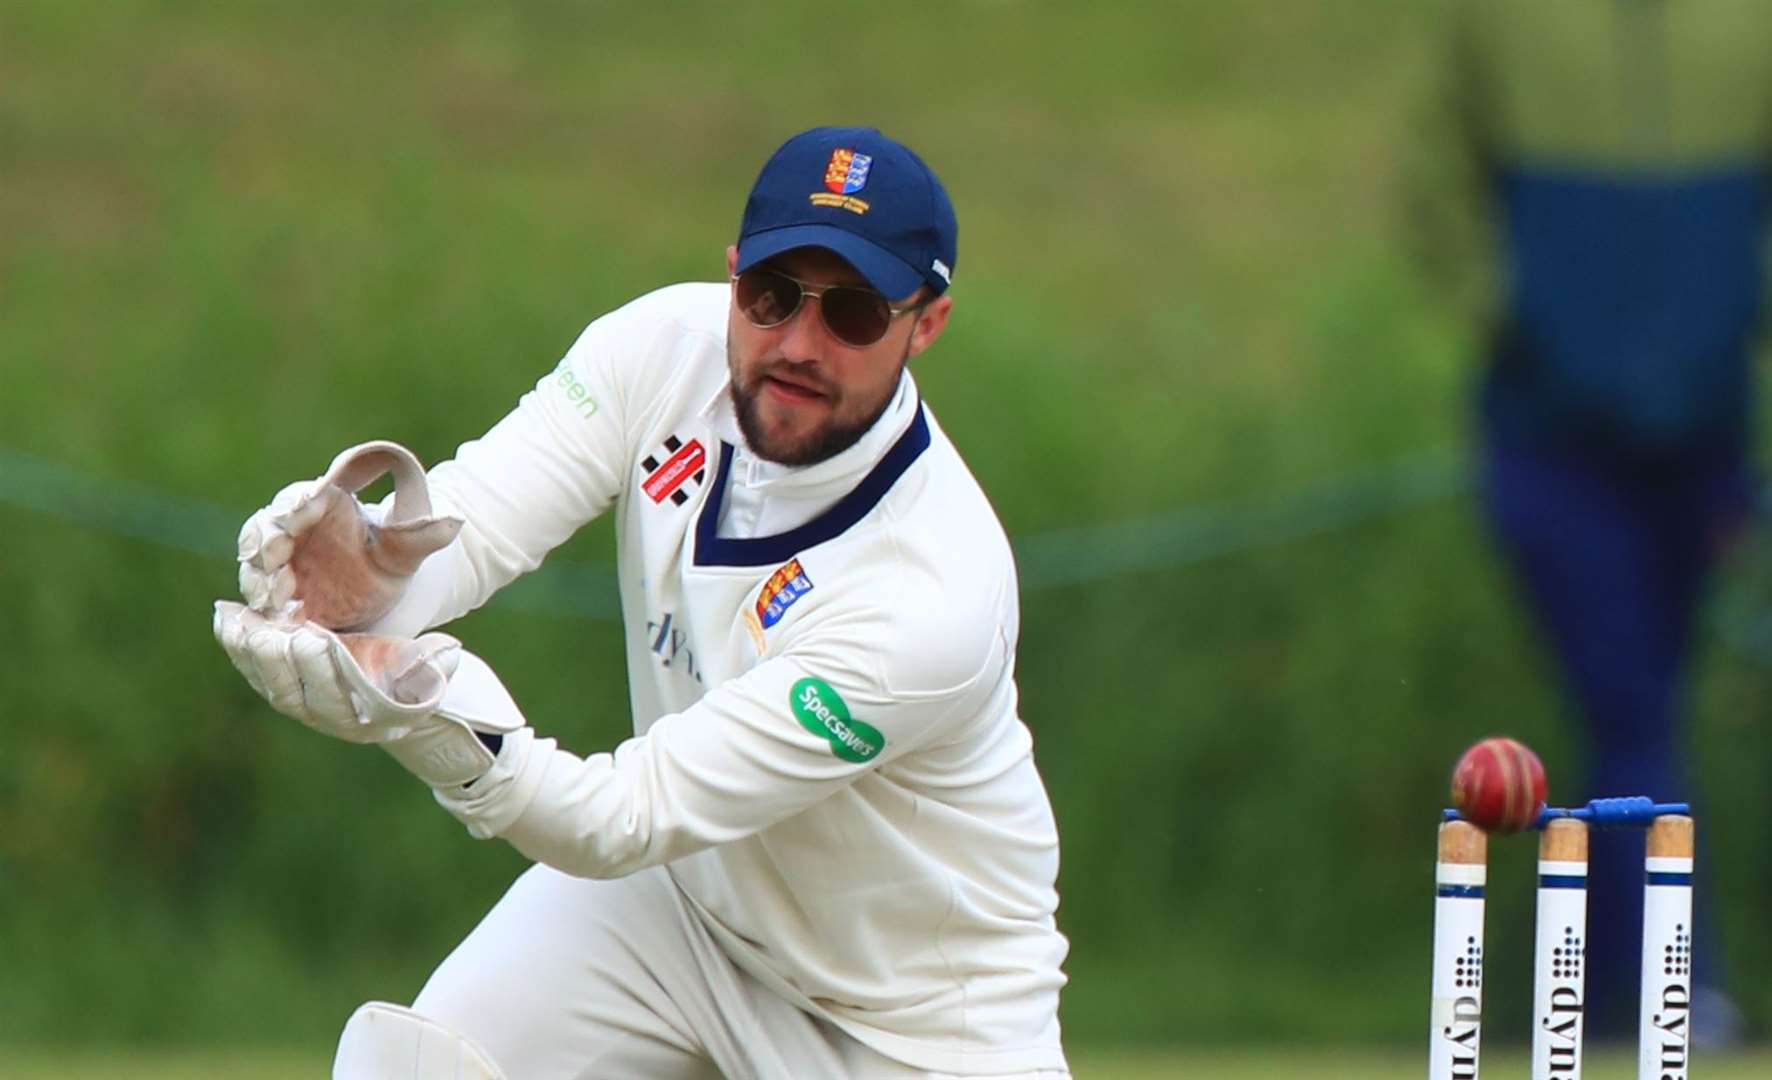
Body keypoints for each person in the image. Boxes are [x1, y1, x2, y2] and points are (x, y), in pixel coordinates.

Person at [213, 126, 1071, 1079]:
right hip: (685, 919)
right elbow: (478, 520)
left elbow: (627, 815)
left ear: (927, 322)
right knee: (419, 1064)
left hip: (911, 1025)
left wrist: (425, 714)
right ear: (735, 274)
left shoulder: (933, 589)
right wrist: (365, 580)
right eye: (772, 296)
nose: (797, 344)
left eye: (855, 313)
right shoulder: (664, 348)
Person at [1407, 0, 1769, 1042]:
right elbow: (1434, 191)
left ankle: (1627, 992)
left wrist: (1729, 327)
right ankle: (1674, 992)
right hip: (1545, 438)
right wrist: (1521, 319)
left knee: (1640, 714)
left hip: (1706, 439)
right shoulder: (1505, 22)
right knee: (1629, 710)